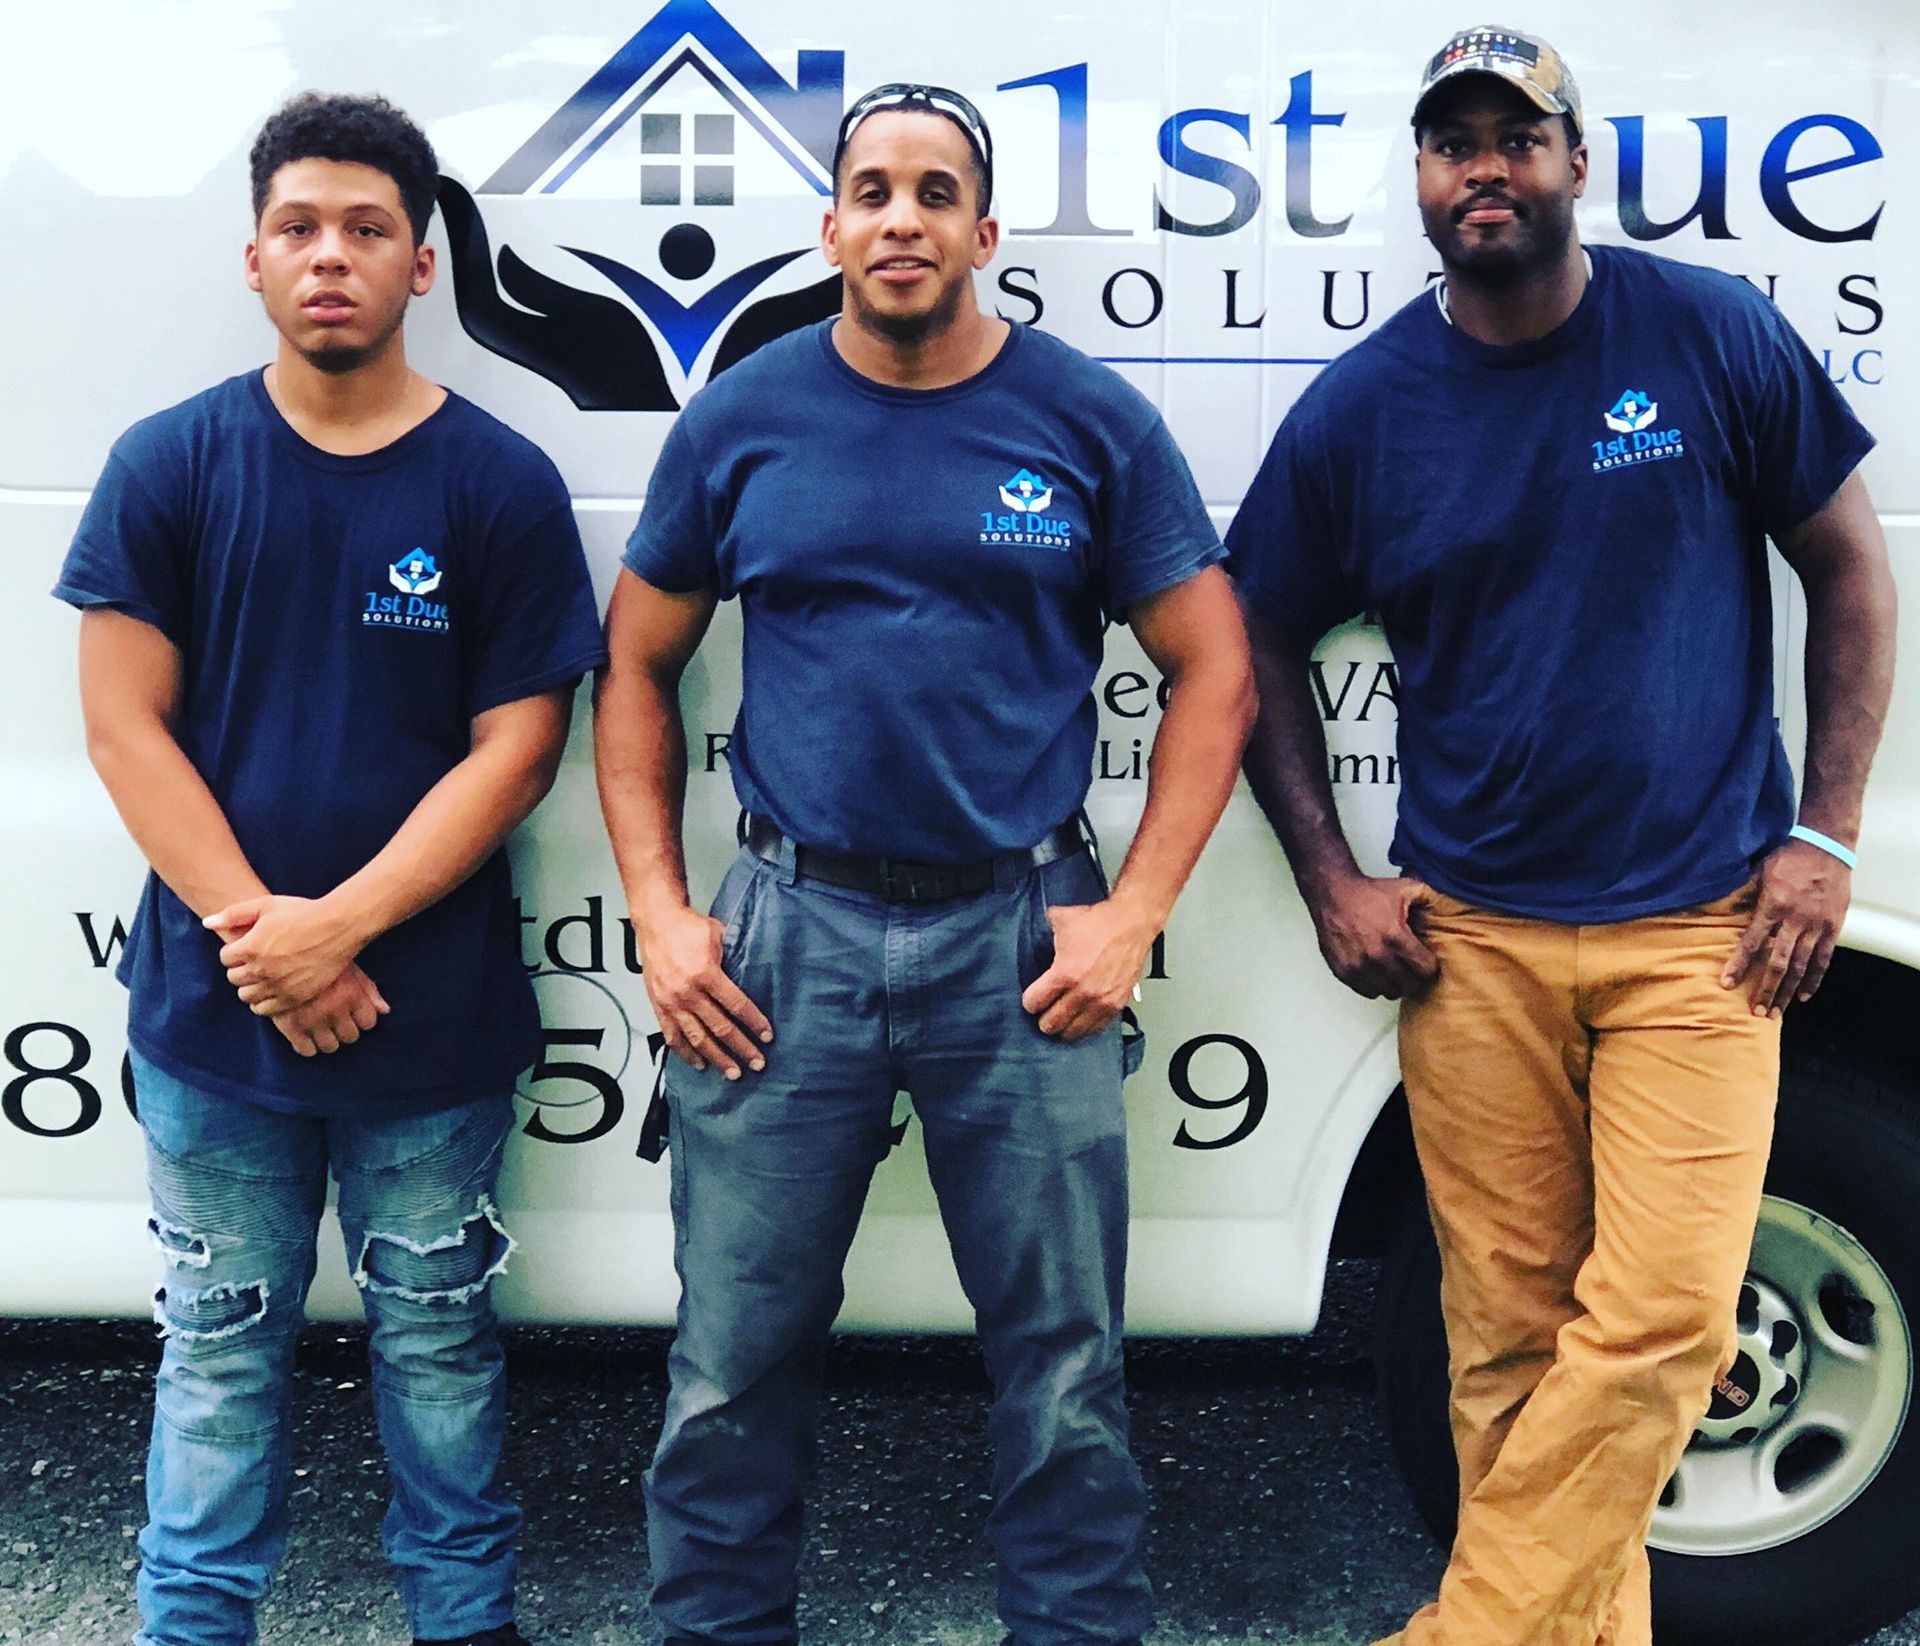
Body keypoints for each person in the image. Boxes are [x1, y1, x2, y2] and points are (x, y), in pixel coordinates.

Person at [1226, 26, 1895, 1646]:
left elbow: (1853, 571)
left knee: (1664, 1323)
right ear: (1422, 180)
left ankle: (1465, 1631)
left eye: (1517, 141)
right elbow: (1244, 645)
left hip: (1704, 928)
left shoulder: (1708, 333)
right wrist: (1331, 876)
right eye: (1454, 146)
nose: (1487, 171)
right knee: (1508, 1345)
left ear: (1575, 164)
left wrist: (1828, 835)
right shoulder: (1368, 409)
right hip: (1477, 945)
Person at [595, 80, 1255, 1646]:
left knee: (1064, 1361)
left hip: (1022, 941)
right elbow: (632, 665)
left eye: (936, 190)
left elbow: (1214, 668)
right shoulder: (746, 415)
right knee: (732, 1360)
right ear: (829, 227)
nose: (903, 217)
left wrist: (1135, 913)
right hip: (783, 935)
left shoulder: (1086, 419)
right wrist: (661, 913)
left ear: (986, 230)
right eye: (873, 190)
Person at [54, 92, 606, 1646]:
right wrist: (266, 941)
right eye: (300, 227)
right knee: (217, 1341)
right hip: (214, 1020)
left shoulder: (496, 485)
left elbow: (518, 749)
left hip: (426, 1018)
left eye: (368, 229)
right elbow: (122, 730)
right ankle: (192, 1621)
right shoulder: (167, 463)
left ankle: (464, 1617)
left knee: (437, 1332)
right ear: (251, 257)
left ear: (421, 265)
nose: (331, 257)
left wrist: (340, 928)